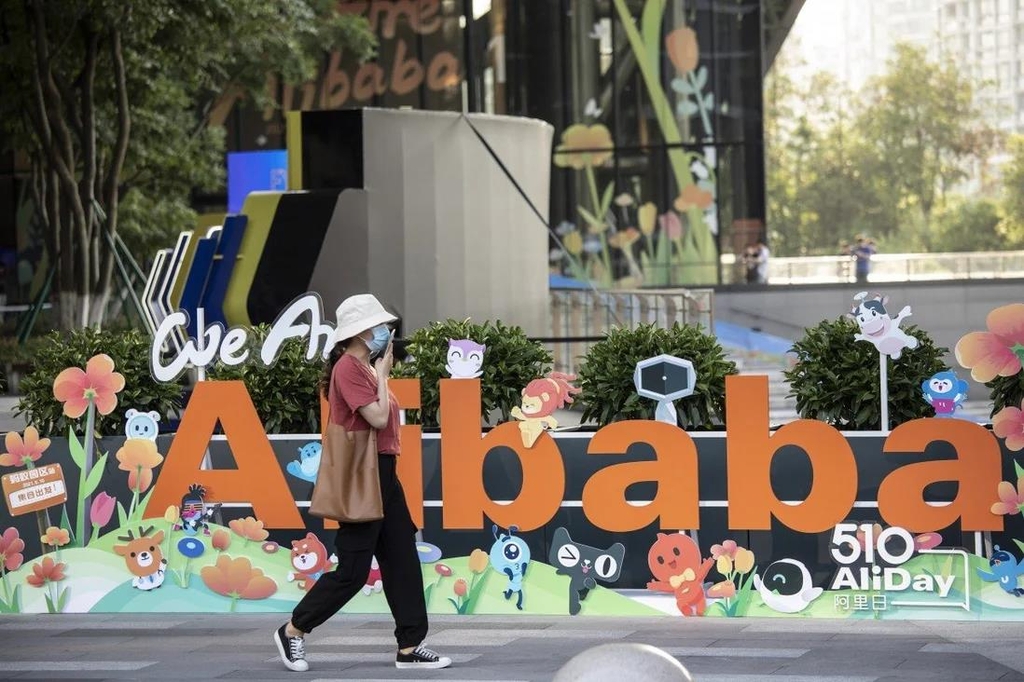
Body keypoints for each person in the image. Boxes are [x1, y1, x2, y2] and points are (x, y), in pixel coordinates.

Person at [274, 294, 451, 674]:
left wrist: (381, 374)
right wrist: (385, 377)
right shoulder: (349, 368)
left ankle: (410, 645)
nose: (387, 331)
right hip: (363, 476)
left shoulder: (365, 367)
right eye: (380, 326)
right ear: (362, 330)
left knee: (402, 558)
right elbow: (375, 416)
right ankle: (293, 629)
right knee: (353, 571)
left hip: (384, 473)